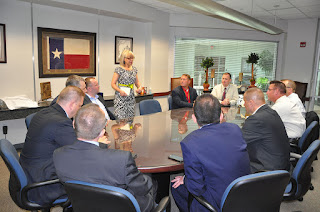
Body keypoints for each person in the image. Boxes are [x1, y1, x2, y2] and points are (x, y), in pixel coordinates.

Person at [53, 104, 157, 212]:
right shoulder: (121, 158)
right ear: (102, 132)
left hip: (84, 206)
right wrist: (149, 178)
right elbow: (142, 188)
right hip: (122, 207)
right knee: (151, 182)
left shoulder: (58, 154)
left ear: (74, 124)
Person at [171, 94, 251, 211]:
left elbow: (196, 188)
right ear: (221, 116)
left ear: (194, 118)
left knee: (175, 187)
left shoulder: (189, 142)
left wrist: (186, 179)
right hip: (246, 193)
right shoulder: (235, 129)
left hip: (219, 202)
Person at [19, 86, 85, 205]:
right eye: (79, 105)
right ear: (72, 104)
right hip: (43, 185)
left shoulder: (43, 113)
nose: (79, 109)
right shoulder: (61, 123)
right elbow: (81, 150)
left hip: (30, 174)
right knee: (90, 175)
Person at [242, 88, 291, 173]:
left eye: (244, 102)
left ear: (251, 103)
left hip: (267, 171)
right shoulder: (271, 112)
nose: (244, 105)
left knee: (230, 165)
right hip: (281, 165)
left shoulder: (255, 119)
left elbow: (239, 143)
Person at [111, 50, 142, 119]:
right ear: (124, 59)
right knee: (121, 122)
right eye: (129, 58)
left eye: (132, 58)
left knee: (130, 120)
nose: (131, 60)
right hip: (121, 98)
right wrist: (119, 91)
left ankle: (130, 130)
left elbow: (137, 82)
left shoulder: (134, 70)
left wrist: (139, 87)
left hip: (131, 98)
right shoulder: (119, 69)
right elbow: (113, 84)